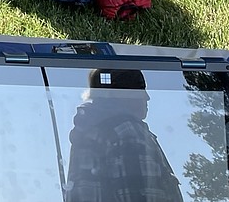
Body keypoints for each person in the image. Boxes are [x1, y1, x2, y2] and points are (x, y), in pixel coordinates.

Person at [64, 69, 183, 202]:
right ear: (120, 94)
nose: (147, 97)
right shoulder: (127, 132)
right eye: (139, 89)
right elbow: (139, 196)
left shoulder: (90, 133)